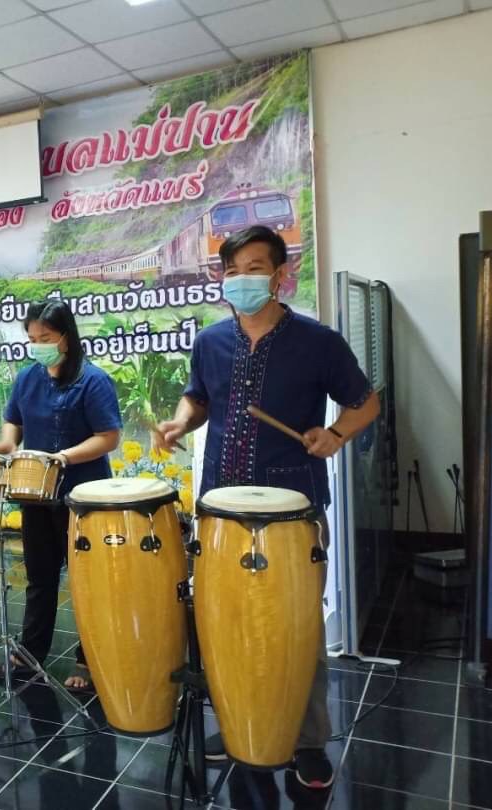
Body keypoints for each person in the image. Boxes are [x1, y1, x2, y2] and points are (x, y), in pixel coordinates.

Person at [152, 225, 380, 790]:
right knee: (225, 624)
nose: (241, 279)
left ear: (280, 275)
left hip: (291, 515)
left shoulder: (318, 342)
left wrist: (335, 435)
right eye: (232, 270)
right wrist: (180, 422)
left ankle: (308, 743)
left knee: (297, 631)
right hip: (220, 512)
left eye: (254, 268)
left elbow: (365, 403)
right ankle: (238, 722)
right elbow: (198, 398)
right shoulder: (210, 342)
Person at [0, 300, 123, 690]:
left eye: (45, 337)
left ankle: (89, 659)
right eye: (32, 338)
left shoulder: (93, 380)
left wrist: (64, 457)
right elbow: (14, 419)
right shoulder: (28, 378)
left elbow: (108, 436)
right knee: (40, 578)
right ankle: (28, 656)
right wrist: (9, 444)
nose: (38, 345)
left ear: (66, 336)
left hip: (83, 498)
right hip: (37, 494)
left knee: (86, 582)